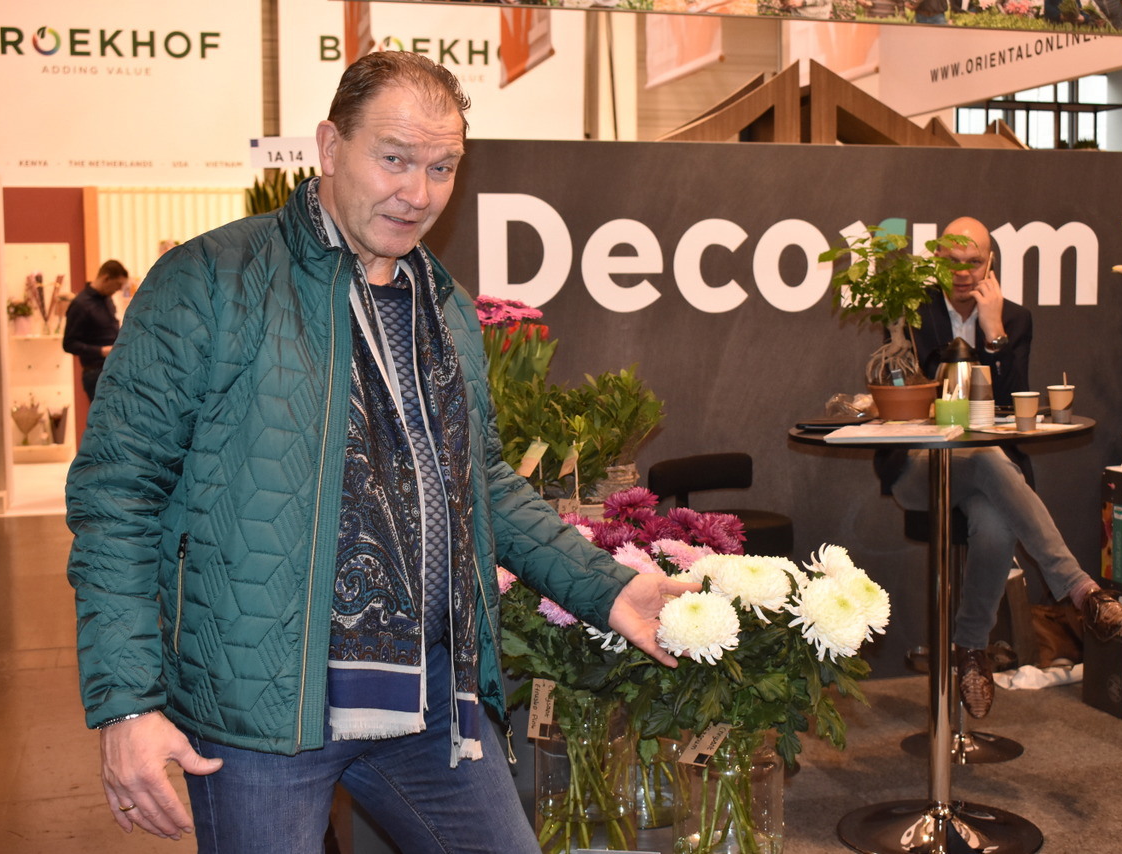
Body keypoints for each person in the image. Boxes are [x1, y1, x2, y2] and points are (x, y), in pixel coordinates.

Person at [65, 51, 695, 853]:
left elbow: (480, 483)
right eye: (394, 159)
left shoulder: (444, 305)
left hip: (429, 701)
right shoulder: (213, 281)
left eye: (441, 167)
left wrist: (608, 588)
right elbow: (117, 493)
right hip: (262, 712)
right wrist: (127, 703)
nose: (418, 193)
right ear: (331, 147)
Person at [874, 216, 1122, 719]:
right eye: (953, 262)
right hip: (919, 467)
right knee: (990, 460)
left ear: (990, 263)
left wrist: (994, 335)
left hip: (985, 472)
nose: (964, 272)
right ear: (936, 261)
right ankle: (1080, 589)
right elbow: (911, 390)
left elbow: (1013, 408)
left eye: (974, 261)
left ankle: (971, 650)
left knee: (994, 519)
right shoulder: (909, 312)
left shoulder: (1014, 318)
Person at [62, 259, 127, 401]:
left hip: (115, 369)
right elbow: (69, 344)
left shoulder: (108, 300)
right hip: (97, 373)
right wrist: (101, 351)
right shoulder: (80, 304)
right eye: (118, 284)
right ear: (106, 278)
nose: (119, 289)